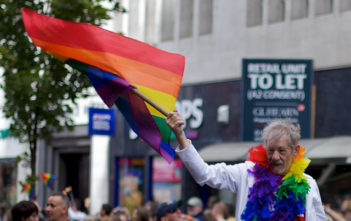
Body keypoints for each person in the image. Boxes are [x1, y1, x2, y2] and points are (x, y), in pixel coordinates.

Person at [166, 111, 327, 220]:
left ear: (295, 150)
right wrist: (180, 135)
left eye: (281, 151)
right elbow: (205, 173)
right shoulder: (247, 173)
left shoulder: (308, 185)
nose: (275, 157)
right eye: (271, 150)